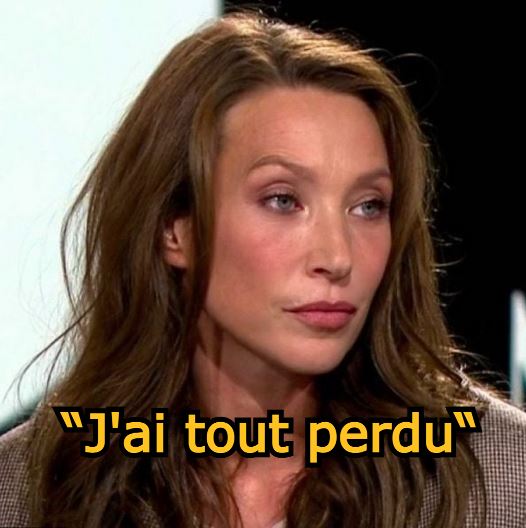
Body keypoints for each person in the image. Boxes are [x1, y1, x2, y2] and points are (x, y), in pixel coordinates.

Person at [1, 10, 525, 528]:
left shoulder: (503, 476)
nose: (337, 258)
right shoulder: (28, 489)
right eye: (282, 200)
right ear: (173, 226)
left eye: (368, 206)